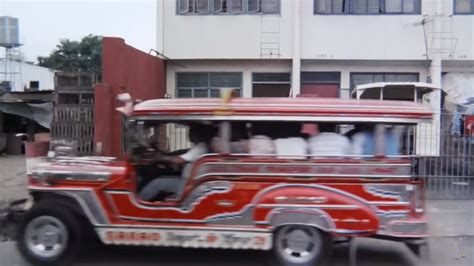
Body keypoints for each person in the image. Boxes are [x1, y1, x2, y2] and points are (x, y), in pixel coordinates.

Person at [139, 123, 215, 201]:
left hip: (188, 184)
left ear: (196, 134)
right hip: (188, 181)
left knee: (157, 184)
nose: (189, 135)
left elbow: (179, 160)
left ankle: (139, 202)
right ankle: (140, 201)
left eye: (190, 132)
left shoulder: (200, 148)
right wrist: (166, 155)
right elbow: (182, 154)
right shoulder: (199, 146)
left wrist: (161, 158)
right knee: (158, 183)